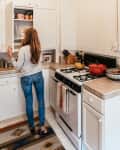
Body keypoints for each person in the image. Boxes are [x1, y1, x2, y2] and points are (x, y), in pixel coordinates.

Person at [7, 28, 47, 135]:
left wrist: (11, 56)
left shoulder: (23, 49)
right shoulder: (38, 48)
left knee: (29, 101)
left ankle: (32, 126)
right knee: (41, 100)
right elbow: (40, 61)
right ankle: (42, 125)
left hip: (26, 78)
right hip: (38, 75)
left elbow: (18, 67)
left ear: (27, 36)